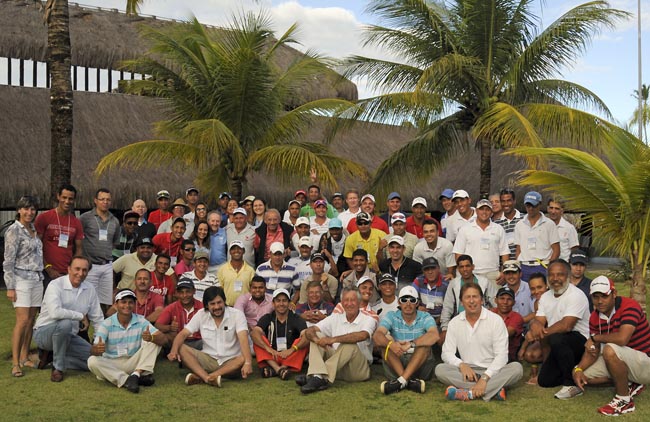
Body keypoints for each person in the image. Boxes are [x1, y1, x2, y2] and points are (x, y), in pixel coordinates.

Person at [572, 276, 650, 416]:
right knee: (586, 377)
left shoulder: (629, 306)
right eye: (596, 297)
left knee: (610, 349)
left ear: (614, 294)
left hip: (645, 363)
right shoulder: (594, 317)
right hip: (622, 360)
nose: (600, 301)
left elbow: (622, 339)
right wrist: (578, 369)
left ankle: (624, 400)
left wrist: (594, 338)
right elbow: (592, 349)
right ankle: (630, 383)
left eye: (604, 296)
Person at [436, 282, 523, 401]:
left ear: (482, 300)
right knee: (440, 369)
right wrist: (461, 365)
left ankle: (468, 393)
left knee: (517, 369)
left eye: (475, 297)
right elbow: (446, 353)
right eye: (467, 297)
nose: (471, 301)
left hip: (493, 371)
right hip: (467, 372)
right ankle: (494, 390)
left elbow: (502, 356)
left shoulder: (495, 321)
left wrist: (485, 378)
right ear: (461, 302)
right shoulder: (455, 322)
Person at [32, 256, 104, 382]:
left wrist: (98, 342)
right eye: (77, 269)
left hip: (69, 337)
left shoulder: (90, 289)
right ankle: (58, 368)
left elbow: (98, 318)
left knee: (96, 360)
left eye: (84, 270)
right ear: (69, 269)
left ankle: (57, 359)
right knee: (65, 324)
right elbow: (55, 313)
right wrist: (80, 316)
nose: (80, 273)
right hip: (44, 334)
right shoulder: (55, 285)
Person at [526, 259, 590, 399]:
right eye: (551, 275)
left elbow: (567, 325)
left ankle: (571, 384)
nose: (555, 279)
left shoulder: (576, 295)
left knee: (556, 336)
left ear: (568, 276)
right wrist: (535, 327)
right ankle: (576, 371)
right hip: (559, 344)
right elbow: (539, 320)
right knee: (545, 381)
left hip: (581, 342)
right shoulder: (545, 297)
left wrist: (540, 332)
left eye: (560, 274)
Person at [168, 286, 253, 387]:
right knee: (181, 347)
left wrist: (248, 363)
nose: (217, 307)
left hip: (231, 362)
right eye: (212, 304)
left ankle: (204, 377)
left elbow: (243, 339)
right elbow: (182, 334)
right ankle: (208, 378)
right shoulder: (201, 314)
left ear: (224, 301)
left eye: (219, 302)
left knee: (243, 358)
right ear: (207, 305)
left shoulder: (237, 314)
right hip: (208, 359)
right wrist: (173, 351)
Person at [297, 287, 377, 394]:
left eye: (352, 300)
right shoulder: (335, 317)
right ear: (342, 303)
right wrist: (317, 340)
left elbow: (363, 335)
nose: (349, 304)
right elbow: (310, 330)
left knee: (350, 345)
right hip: (337, 367)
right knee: (317, 335)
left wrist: (332, 340)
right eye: (346, 300)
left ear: (359, 302)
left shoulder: (368, 319)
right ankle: (318, 375)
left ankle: (317, 376)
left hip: (357, 369)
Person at [88, 289, 165, 393]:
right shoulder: (106, 323)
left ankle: (136, 374)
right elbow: (94, 350)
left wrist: (151, 338)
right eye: (123, 302)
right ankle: (130, 379)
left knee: (154, 341)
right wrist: (97, 349)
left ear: (134, 305)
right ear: (116, 305)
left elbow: (163, 339)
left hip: (134, 362)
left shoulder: (141, 320)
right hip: (112, 363)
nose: (127, 305)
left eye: (130, 302)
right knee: (92, 361)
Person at [374, 286, 439, 394]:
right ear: (399, 302)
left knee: (424, 346)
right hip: (398, 361)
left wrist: (411, 344)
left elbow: (434, 335)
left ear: (417, 303)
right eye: (404, 300)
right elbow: (377, 335)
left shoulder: (425, 316)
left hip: (420, 364)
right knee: (385, 343)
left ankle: (400, 381)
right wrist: (391, 345)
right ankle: (407, 381)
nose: (408, 304)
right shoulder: (391, 316)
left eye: (412, 300)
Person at [4, 196, 43, 377]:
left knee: (32, 319)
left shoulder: (33, 229)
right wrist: (10, 286)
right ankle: (14, 363)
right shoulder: (14, 230)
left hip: (36, 278)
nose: (29, 212)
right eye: (26, 209)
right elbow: (8, 261)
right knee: (22, 320)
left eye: (32, 209)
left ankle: (24, 356)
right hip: (21, 279)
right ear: (19, 210)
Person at [251, 289, 309, 380]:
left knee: (303, 342)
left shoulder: (296, 318)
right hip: (272, 355)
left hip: (290, 355)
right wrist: (268, 349)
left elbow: (306, 336)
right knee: (258, 340)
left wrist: (292, 349)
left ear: (289, 303)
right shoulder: (267, 317)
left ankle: (277, 370)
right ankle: (279, 370)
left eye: (284, 301)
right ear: (273, 304)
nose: (281, 304)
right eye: (278, 301)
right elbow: (254, 333)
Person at [80, 188, 121, 311]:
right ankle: (84, 328)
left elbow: (114, 242)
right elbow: (78, 239)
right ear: (95, 201)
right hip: (91, 265)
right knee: (87, 300)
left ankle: (102, 327)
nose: (105, 202)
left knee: (106, 301)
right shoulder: (85, 218)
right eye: (102, 199)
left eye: (108, 199)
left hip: (107, 265)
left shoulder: (115, 221)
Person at [453, 199, 509, 288]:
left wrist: (505, 272)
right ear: (476, 211)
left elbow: (504, 253)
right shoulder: (465, 229)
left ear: (491, 212)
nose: (484, 212)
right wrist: (463, 273)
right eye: (481, 209)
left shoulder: (499, 229)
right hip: (471, 274)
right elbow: (458, 254)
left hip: (493, 274)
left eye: (487, 209)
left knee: (494, 301)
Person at [34, 184, 83, 284]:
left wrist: (73, 269)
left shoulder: (76, 222)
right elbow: (36, 246)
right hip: (46, 272)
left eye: (70, 199)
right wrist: (48, 268)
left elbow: (79, 249)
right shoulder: (44, 218)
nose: (67, 201)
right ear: (58, 196)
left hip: (67, 273)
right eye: (64, 197)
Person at [439, 255, 496, 341]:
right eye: (461, 267)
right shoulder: (453, 284)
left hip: (482, 321)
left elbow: (495, 302)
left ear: (473, 267)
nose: (465, 269)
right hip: (460, 322)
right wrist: (444, 328)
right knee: (441, 340)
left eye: (467, 266)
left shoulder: (484, 282)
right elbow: (447, 307)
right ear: (458, 269)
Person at [514, 191, 560, 281]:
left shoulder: (549, 224)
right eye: (528, 205)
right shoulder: (519, 225)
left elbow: (556, 250)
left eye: (533, 205)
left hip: (542, 265)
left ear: (539, 205)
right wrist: (519, 266)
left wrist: (549, 266)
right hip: (524, 266)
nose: (530, 208)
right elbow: (518, 249)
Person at [517, 272, 549, 384]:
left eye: (540, 287)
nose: (536, 291)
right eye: (533, 288)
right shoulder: (536, 303)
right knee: (530, 355)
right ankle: (537, 369)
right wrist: (523, 347)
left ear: (546, 285)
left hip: (556, 336)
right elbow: (536, 326)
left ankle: (545, 373)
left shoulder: (553, 299)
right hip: (543, 336)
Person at [155, 277, 204, 349]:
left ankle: (182, 354)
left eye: (188, 291)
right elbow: (157, 325)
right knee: (164, 337)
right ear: (177, 293)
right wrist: (170, 327)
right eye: (181, 292)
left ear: (194, 291)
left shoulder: (202, 307)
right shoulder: (172, 307)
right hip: (178, 341)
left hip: (198, 341)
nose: (184, 295)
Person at [490, 286, 524, 362]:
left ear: (514, 302)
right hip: (488, 350)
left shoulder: (517, 317)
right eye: (502, 298)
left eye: (509, 299)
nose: (505, 302)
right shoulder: (490, 313)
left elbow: (505, 334)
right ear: (496, 300)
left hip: (506, 355)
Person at [218, 240, 255, 306]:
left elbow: (253, 290)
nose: (236, 251)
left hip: (246, 307)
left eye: (239, 249)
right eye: (233, 249)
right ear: (229, 252)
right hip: (227, 307)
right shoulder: (222, 269)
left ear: (243, 251)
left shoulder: (250, 270)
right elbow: (219, 290)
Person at [412, 257, 448, 324]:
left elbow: (449, 308)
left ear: (439, 269)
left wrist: (436, 322)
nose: (430, 272)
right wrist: (417, 308)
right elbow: (410, 299)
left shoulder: (446, 283)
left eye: (433, 268)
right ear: (423, 271)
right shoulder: (418, 281)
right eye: (426, 269)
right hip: (421, 319)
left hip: (441, 320)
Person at [494, 188, 525, 260]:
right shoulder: (496, 224)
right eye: (503, 201)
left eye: (509, 201)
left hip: (522, 265)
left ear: (514, 201)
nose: (506, 204)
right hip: (504, 266)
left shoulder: (524, 220)